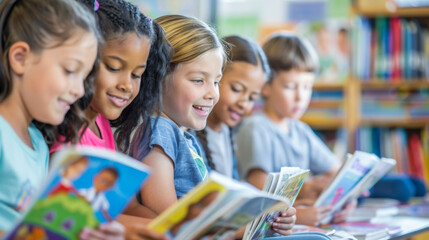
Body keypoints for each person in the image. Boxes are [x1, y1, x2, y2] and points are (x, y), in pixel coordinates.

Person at [50, 0, 172, 239]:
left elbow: (123, 205)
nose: (127, 85)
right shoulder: (64, 128)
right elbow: (67, 209)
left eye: (137, 74)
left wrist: (171, 225)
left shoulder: (101, 124)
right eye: (114, 67)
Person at [0, 0, 101, 235]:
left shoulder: (37, 143)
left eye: (84, 77)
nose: (79, 90)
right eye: (69, 71)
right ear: (20, 58)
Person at [236, 32, 355, 226]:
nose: (301, 97)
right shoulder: (255, 128)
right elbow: (258, 188)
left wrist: (344, 200)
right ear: (265, 86)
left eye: (307, 87)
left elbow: (337, 172)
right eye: (291, 87)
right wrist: (304, 189)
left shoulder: (301, 130)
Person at [194, 35, 296, 236]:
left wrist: (276, 213)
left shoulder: (229, 133)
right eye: (236, 89)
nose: (244, 103)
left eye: (252, 97)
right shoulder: (191, 135)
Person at [130, 14, 227, 217]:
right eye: (199, 80)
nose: (213, 94)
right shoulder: (159, 131)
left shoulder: (183, 135)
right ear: (157, 77)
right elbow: (167, 217)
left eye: (216, 81)